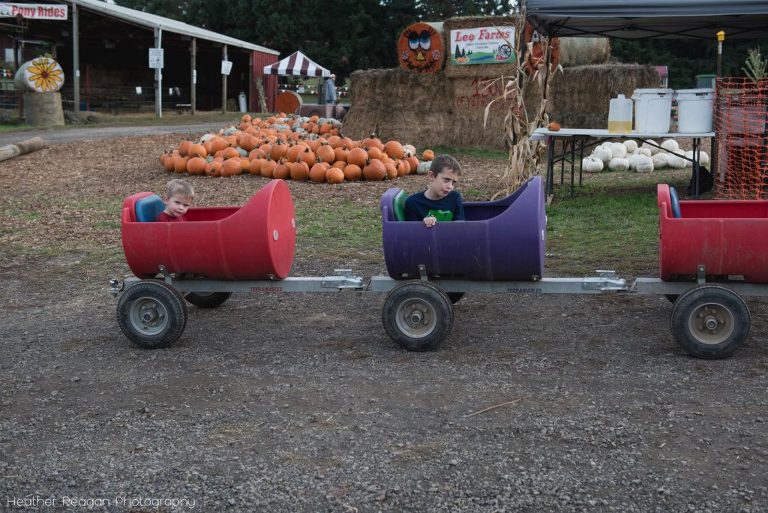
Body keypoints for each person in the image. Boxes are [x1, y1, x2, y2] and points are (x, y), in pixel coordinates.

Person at [405, 154, 464, 227]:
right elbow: (411, 231)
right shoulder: (413, 203)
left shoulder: (455, 197)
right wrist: (423, 225)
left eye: (453, 182)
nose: (450, 186)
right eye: (446, 180)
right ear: (431, 176)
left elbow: (460, 226)